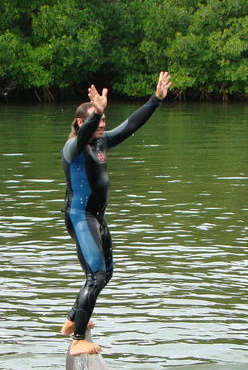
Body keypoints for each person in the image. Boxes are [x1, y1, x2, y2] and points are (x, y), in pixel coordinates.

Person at [61, 71, 172, 355]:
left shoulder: (101, 142)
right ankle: (78, 341)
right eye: (96, 120)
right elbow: (86, 131)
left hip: (96, 217)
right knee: (95, 276)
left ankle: (73, 320)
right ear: (80, 121)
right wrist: (95, 113)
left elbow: (130, 125)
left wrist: (156, 100)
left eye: (103, 120)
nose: (101, 125)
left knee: (106, 273)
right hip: (79, 216)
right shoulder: (73, 148)